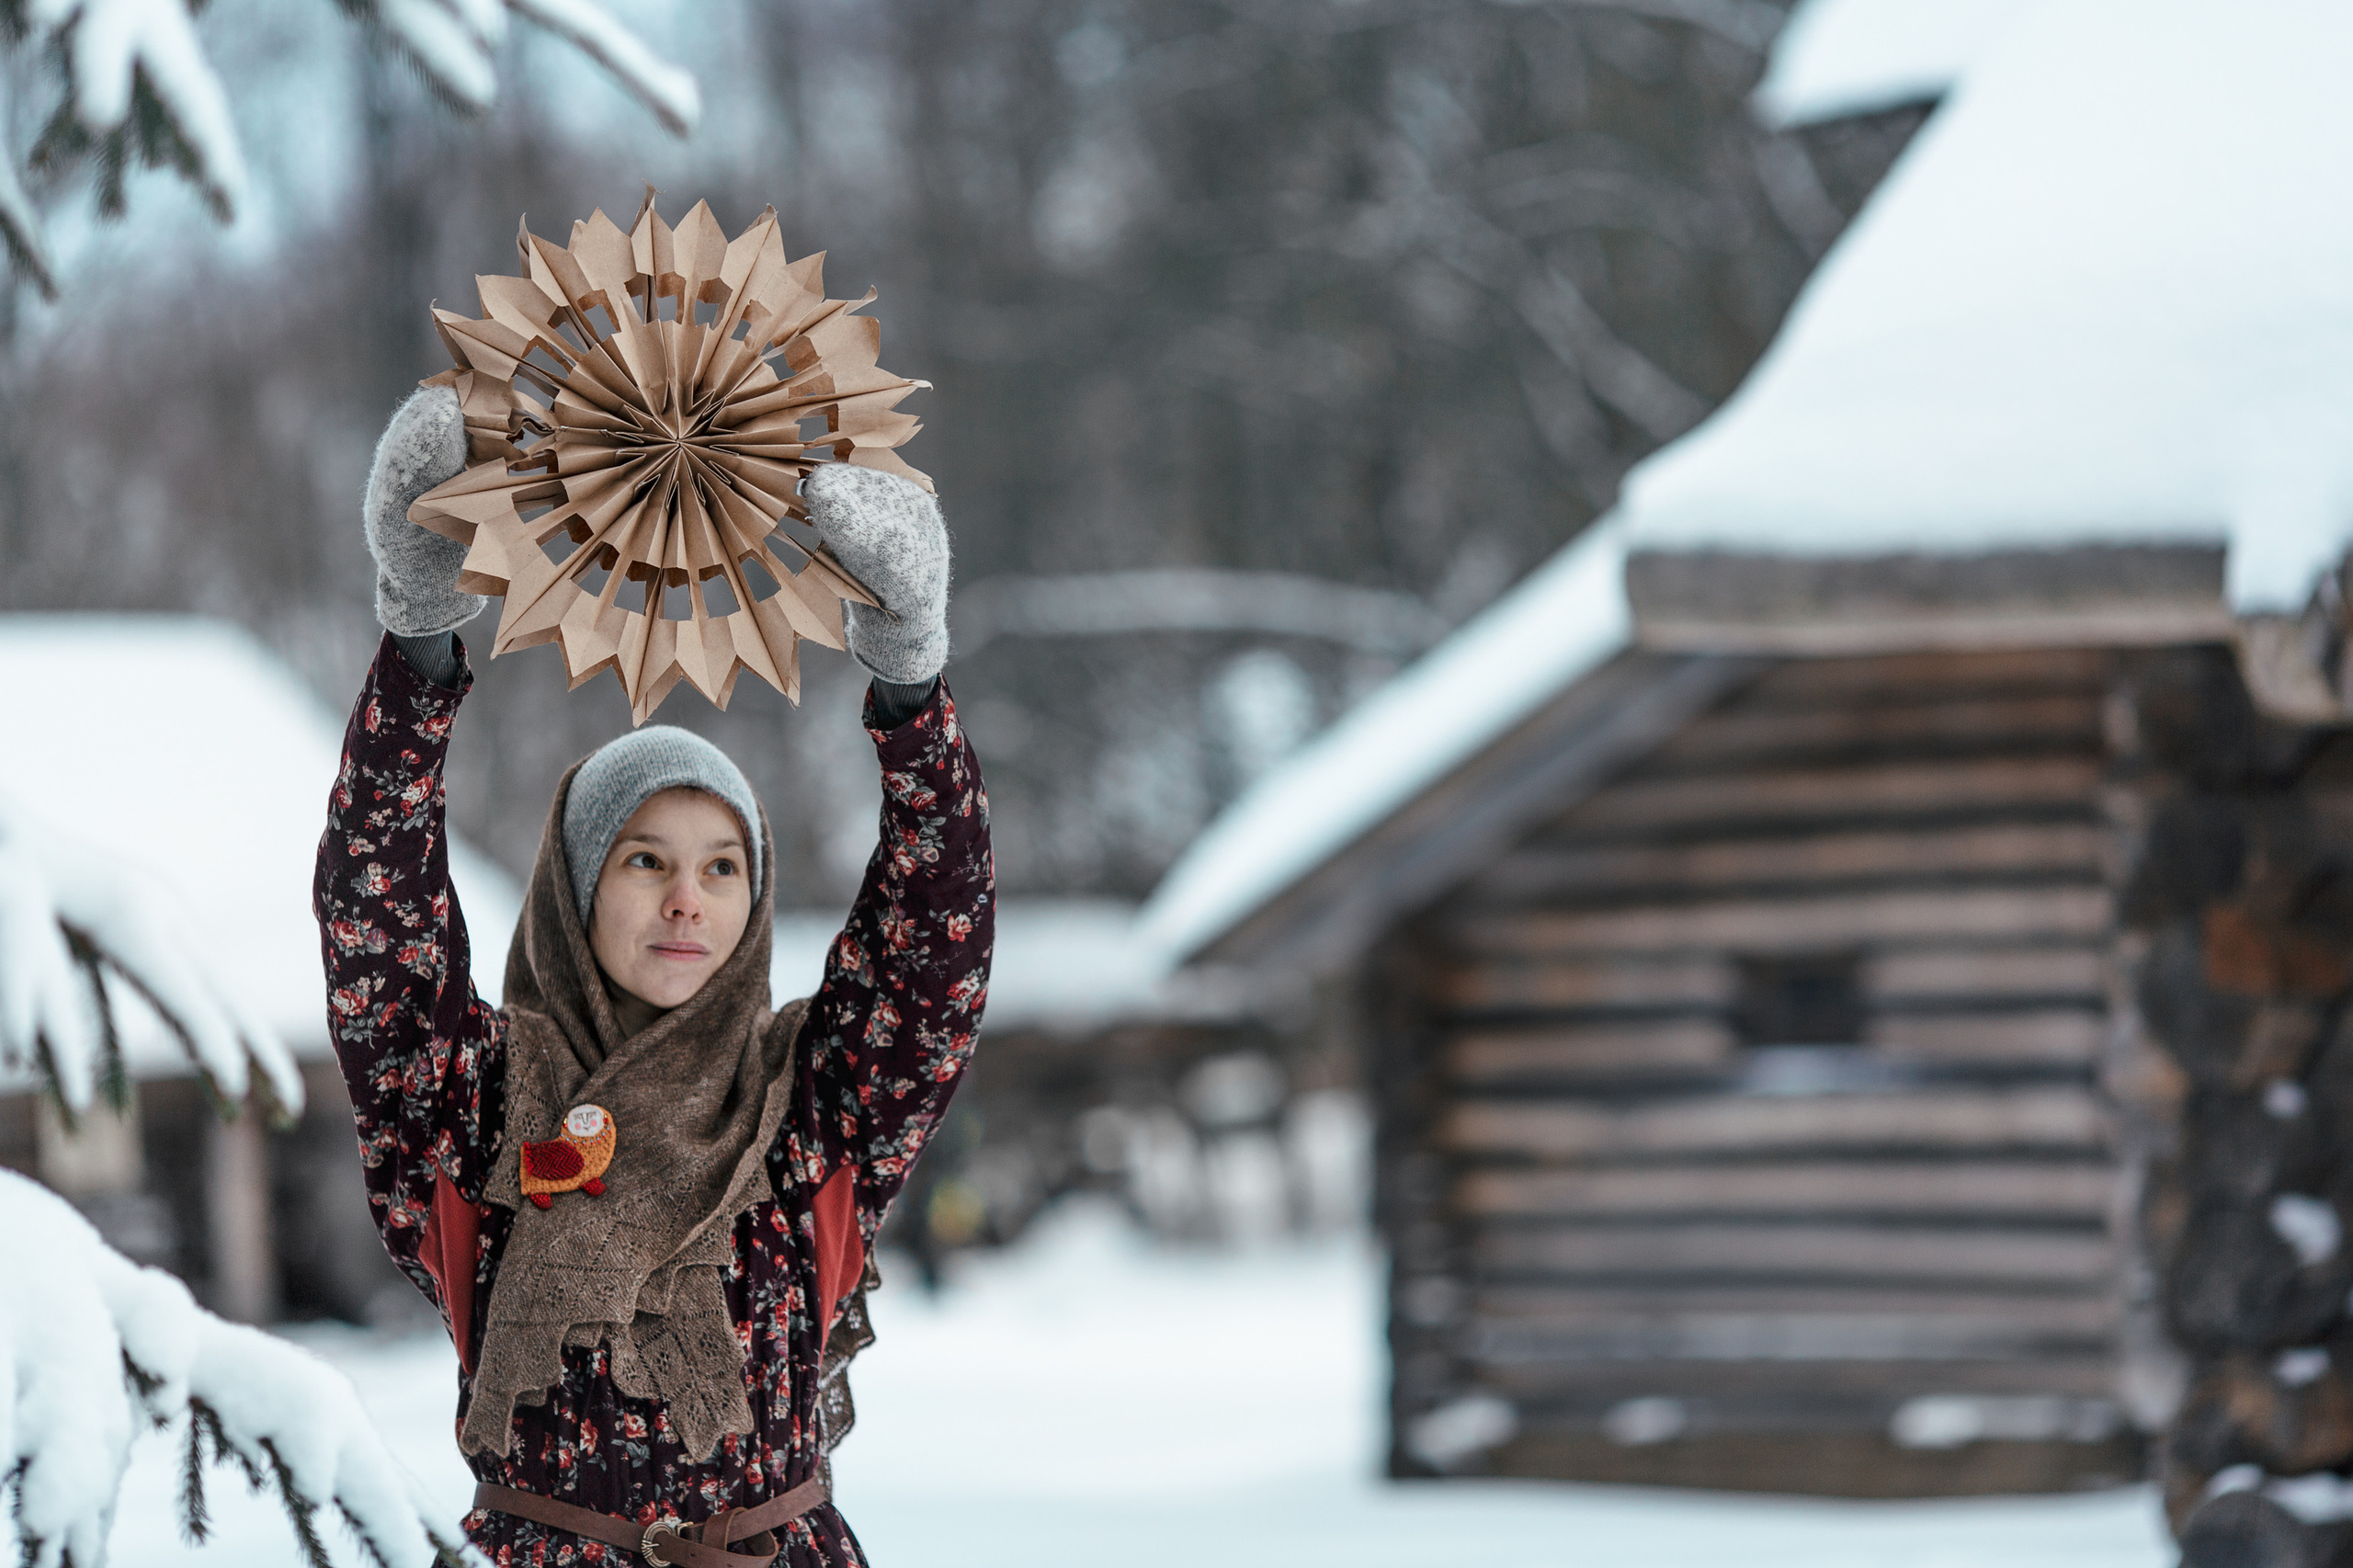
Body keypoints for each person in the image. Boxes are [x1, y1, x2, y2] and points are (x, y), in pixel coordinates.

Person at [315, 384, 994, 1567]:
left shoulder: (814, 1107)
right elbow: (381, 925)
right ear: (577, 891)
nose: (689, 897)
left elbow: (934, 946)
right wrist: (419, 634)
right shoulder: (477, 1100)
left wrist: (910, 677)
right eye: (646, 860)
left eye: (724, 865)